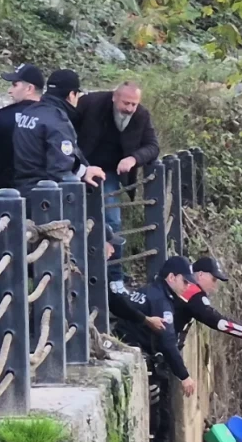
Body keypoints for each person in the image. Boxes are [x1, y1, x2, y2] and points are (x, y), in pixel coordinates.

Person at [111, 256, 204, 442]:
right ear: (171, 277)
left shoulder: (150, 293)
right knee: (159, 422)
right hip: (146, 364)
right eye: (185, 282)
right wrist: (184, 376)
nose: (187, 287)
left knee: (161, 419)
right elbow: (168, 342)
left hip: (142, 358)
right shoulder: (161, 301)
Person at [75, 81, 159, 287]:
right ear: (114, 97)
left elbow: (152, 146)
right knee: (74, 219)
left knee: (112, 222)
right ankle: (78, 275)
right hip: (79, 168)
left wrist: (133, 159)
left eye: (134, 104)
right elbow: (65, 131)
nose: (130, 109)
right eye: (126, 103)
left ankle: (114, 277)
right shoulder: (90, 104)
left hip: (109, 173)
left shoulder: (140, 115)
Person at [12, 70, 105, 197]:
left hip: (21, 191)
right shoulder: (58, 121)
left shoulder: (28, 112)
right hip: (46, 197)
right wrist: (84, 172)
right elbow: (60, 168)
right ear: (72, 94)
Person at [170, 256, 242, 347]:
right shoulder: (194, 294)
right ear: (200, 275)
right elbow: (221, 323)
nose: (215, 286)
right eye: (214, 280)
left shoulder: (179, 273)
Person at [0, 64, 44, 196]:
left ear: (29, 88)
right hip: (43, 193)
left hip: (6, 192)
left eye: (15, 85)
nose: (9, 90)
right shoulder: (51, 116)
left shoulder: (4, 115)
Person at [104, 226, 166, 334]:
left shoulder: (102, 269)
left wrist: (145, 319)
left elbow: (116, 303)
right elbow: (116, 304)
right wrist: (146, 320)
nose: (113, 250)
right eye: (111, 244)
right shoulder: (95, 269)